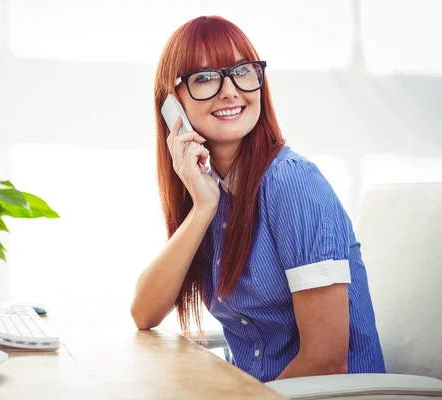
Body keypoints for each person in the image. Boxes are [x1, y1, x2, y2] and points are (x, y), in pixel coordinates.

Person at [130, 15, 386, 382]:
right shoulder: (210, 193)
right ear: (173, 106)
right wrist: (203, 208)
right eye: (205, 78)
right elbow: (144, 313)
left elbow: (327, 363)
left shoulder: (293, 184)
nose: (231, 90)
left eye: (243, 71)